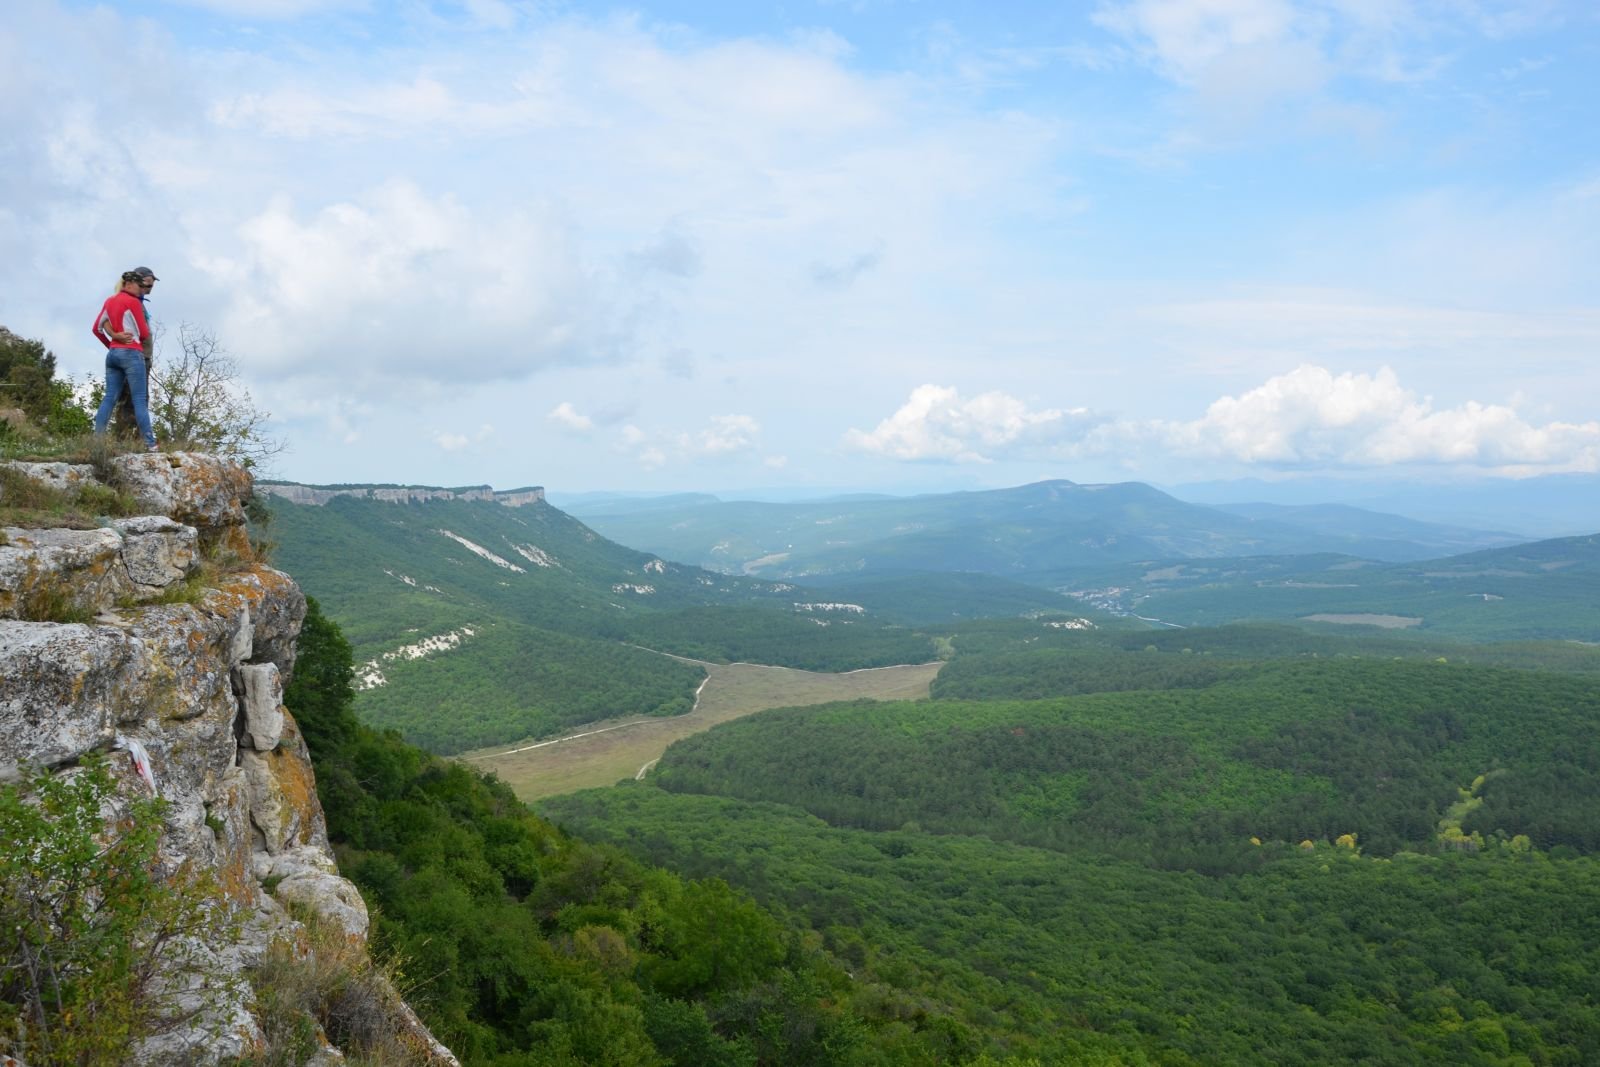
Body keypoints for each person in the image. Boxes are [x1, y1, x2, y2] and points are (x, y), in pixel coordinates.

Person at [92, 271, 158, 451]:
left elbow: (96, 328)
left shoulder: (109, 301)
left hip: (113, 354)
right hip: (132, 353)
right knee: (139, 399)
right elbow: (143, 333)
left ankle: (97, 441)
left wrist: (112, 342)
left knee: (109, 398)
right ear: (128, 284)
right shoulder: (133, 302)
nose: (140, 290)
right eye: (138, 286)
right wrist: (128, 340)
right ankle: (150, 444)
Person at [110, 266, 158, 437]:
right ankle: (129, 439)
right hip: (135, 356)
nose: (149, 289)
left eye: (152, 286)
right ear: (137, 281)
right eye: (147, 285)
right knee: (134, 400)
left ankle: (130, 438)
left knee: (133, 398)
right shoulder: (130, 301)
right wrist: (117, 339)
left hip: (138, 356)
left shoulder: (138, 300)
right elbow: (105, 324)